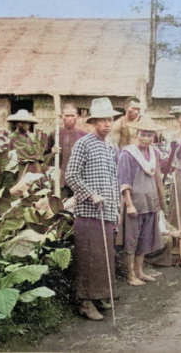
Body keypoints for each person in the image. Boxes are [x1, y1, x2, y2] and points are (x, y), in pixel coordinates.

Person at [65, 97, 122, 321]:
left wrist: (115, 205)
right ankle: (85, 303)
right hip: (89, 212)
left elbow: (113, 179)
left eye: (110, 120)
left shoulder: (109, 147)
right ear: (93, 122)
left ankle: (98, 296)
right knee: (89, 257)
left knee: (103, 257)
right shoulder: (84, 143)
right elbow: (71, 175)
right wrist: (90, 194)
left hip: (106, 212)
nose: (107, 124)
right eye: (102, 120)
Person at [118, 115, 168, 286]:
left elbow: (158, 178)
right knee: (131, 240)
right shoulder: (128, 154)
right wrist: (129, 204)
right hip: (135, 204)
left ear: (154, 137)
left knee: (145, 239)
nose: (146, 138)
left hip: (150, 202)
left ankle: (140, 271)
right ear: (136, 134)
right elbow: (123, 181)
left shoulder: (154, 153)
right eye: (143, 134)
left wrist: (160, 202)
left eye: (150, 135)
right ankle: (130, 274)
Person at [44, 103, 87, 198]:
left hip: (78, 181)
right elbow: (44, 158)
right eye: (67, 115)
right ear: (62, 117)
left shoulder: (83, 135)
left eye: (72, 115)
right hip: (60, 180)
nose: (69, 118)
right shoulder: (54, 134)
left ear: (77, 116)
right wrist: (52, 153)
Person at [7, 109, 45, 178]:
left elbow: (39, 152)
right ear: (18, 124)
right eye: (25, 123)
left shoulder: (31, 136)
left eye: (28, 123)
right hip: (22, 168)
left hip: (35, 168)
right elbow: (22, 153)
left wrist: (39, 139)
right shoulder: (13, 137)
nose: (28, 125)